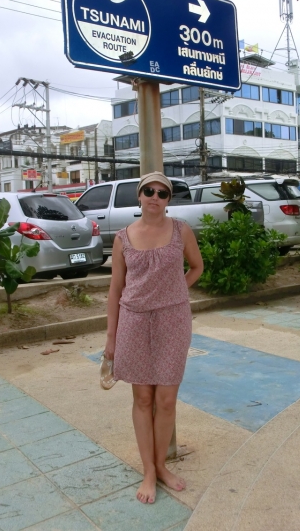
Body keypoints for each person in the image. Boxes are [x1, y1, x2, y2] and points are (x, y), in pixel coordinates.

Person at [104, 171, 204, 505]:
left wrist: (175, 293)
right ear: (139, 195)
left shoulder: (181, 230)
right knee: (143, 400)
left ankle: (161, 466)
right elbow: (116, 289)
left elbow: (197, 267)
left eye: (163, 193)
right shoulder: (122, 238)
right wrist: (111, 338)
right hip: (133, 321)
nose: (155, 197)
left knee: (166, 400)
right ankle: (148, 470)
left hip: (173, 321)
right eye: (149, 191)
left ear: (168, 200)